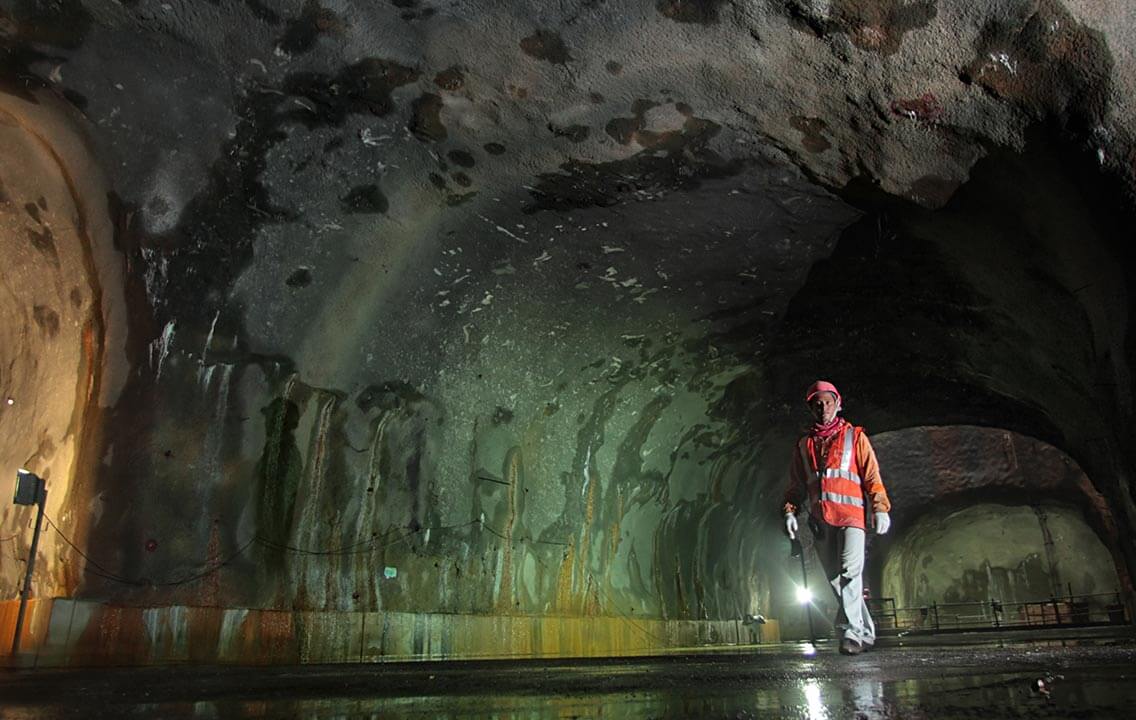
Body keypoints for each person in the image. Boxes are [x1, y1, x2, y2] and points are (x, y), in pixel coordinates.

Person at [782, 380, 891, 655]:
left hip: (852, 518)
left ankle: (851, 633)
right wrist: (789, 511)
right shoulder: (804, 445)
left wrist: (880, 507)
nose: (823, 408)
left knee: (849, 573)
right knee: (834, 578)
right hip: (821, 522)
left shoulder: (855, 437)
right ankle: (865, 631)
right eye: (817, 403)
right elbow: (795, 486)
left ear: (838, 403)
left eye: (828, 402)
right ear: (811, 408)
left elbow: (871, 476)